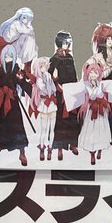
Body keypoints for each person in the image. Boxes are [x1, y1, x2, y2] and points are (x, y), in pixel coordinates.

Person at [0, 46, 32, 165]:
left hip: (12, 101)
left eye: (10, 56)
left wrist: (21, 80)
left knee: (16, 126)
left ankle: (22, 152)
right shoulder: (1, 69)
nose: (8, 58)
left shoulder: (17, 69)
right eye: (6, 56)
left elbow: (22, 81)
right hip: (1, 102)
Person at [48, 30, 79, 159]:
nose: (67, 44)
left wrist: (76, 88)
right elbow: (48, 76)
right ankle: (60, 147)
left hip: (71, 91)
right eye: (66, 42)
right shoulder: (55, 58)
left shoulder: (70, 57)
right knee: (61, 120)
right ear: (60, 42)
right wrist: (56, 85)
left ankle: (72, 144)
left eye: (69, 42)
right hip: (61, 92)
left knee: (73, 118)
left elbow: (74, 75)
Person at [29, 56, 58, 161]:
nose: (44, 67)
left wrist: (51, 78)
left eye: (45, 65)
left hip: (52, 105)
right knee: (44, 130)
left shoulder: (48, 76)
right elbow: (46, 91)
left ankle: (50, 149)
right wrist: (48, 80)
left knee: (52, 129)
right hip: (44, 105)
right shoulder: (39, 79)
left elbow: (54, 89)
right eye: (42, 66)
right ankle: (42, 148)